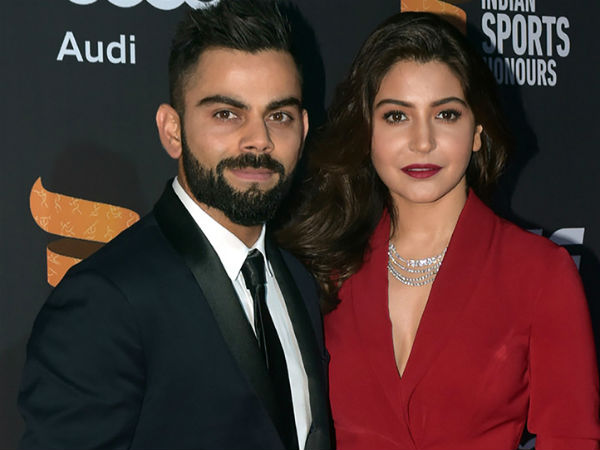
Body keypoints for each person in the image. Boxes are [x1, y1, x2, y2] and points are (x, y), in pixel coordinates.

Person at [280, 11, 600, 449]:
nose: (422, 141)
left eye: (446, 114)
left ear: (477, 132)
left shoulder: (540, 272)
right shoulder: (323, 264)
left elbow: (571, 437)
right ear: (367, 130)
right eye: (397, 116)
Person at [18, 2, 331, 449]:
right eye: (227, 114)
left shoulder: (297, 281)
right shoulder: (105, 300)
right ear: (171, 130)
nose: (259, 140)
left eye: (278, 116)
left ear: (303, 128)